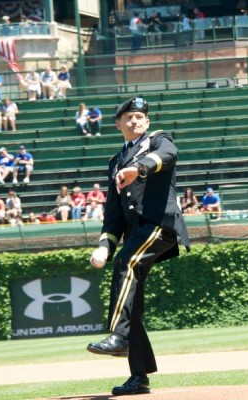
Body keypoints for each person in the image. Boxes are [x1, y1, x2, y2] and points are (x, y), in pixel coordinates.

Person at [86, 96, 190, 397]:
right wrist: (104, 245)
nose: (135, 121)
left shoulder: (158, 140)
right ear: (118, 124)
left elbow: (169, 154)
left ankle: (119, 336)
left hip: (160, 223)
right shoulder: (115, 162)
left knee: (125, 262)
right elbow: (113, 215)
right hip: (137, 232)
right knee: (133, 306)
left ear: (146, 122)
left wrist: (139, 169)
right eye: (128, 117)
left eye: (140, 117)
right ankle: (138, 377)